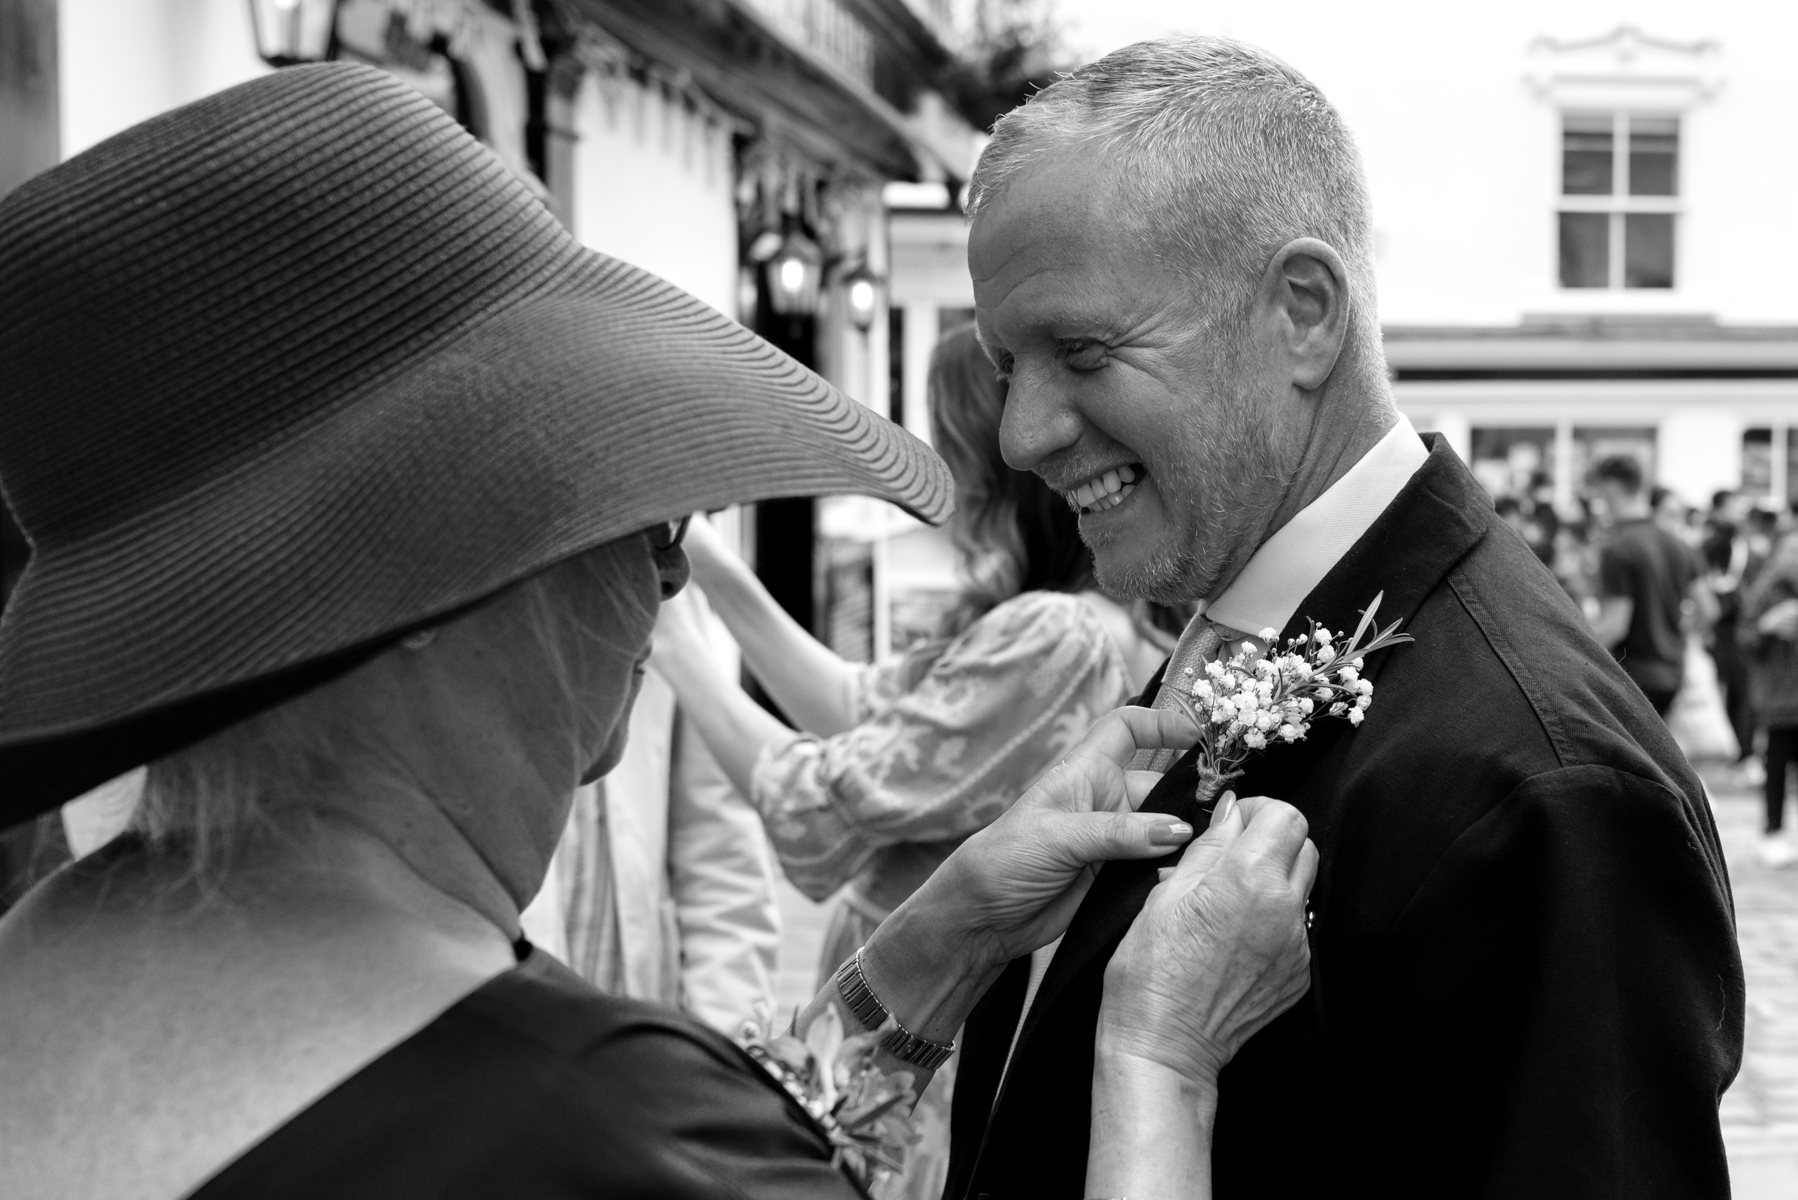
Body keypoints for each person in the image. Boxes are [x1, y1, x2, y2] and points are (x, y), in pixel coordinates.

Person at [0, 63, 1316, 1200]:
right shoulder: (593, 1125)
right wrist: (1157, 1065)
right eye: (635, 511)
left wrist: (952, 928)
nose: (670, 579)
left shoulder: (52, 972)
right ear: (436, 576)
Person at [951, 35, 1741, 1200]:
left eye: (1081, 350)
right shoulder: (1240, 621)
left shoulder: (1546, 791)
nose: (1023, 434)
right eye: (1006, 363)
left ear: (1304, 314)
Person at [653, 323, 1169, 986]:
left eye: (949, 445)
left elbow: (819, 804)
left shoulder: (1059, 633)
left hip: (924, 1014)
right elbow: (857, 707)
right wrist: (703, 558)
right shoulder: (1055, 617)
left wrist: (669, 640)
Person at [1588, 455, 1708, 716]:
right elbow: (1709, 609)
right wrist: (1676, 639)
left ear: (1611, 488)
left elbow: (1614, 626)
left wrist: (1575, 657)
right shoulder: (1679, 544)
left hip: (1633, 677)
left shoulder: (1618, 549)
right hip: (1672, 674)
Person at [1741, 530, 1798, 866]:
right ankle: (1773, 832)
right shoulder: (1766, 591)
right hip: (1778, 698)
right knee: (1775, 768)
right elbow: (1745, 639)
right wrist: (1767, 626)